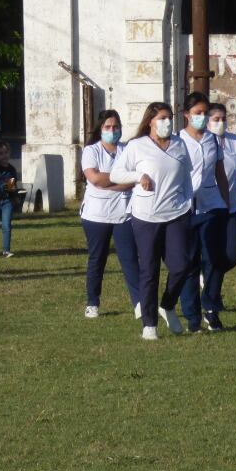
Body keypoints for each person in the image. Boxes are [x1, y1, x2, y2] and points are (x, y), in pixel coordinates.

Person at [108, 102, 195, 341]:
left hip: (177, 213)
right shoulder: (137, 146)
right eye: (162, 118)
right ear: (151, 122)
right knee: (149, 269)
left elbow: (187, 175)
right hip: (146, 216)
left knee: (181, 265)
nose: (167, 122)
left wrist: (188, 201)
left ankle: (167, 305)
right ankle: (149, 324)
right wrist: (138, 176)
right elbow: (116, 174)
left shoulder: (179, 144)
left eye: (169, 118)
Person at [176, 92, 231, 333]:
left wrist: (226, 203)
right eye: (197, 113)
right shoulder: (177, 141)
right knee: (190, 263)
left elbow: (219, 171)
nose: (201, 117)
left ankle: (211, 307)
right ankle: (192, 316)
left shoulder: (213, 140)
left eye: (204, 113)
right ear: (186, 114)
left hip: (213, 204)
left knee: (215, 259)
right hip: (186, 208)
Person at [79, 110, 140, 320]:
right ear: (100, 129)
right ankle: (92, 302)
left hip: (124, 213)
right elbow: (95, 179)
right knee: (97, 259)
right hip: (96, 215)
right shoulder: (91, 150)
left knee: (130, 258)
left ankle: (139, 303)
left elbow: (136, 177)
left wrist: (115, 181)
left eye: (115, 127)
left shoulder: (128, 149)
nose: (112, 131)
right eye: (107, 127)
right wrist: (124, 180)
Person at [208, 102, 236, 308]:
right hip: (206, 207)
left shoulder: (235, 142)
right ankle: (212, 296)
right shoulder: (203, 142)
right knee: (212, 253)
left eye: (223, 119)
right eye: (216, 119)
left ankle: (209, 284)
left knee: (233, 252)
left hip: (231, 206)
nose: (221, 122)